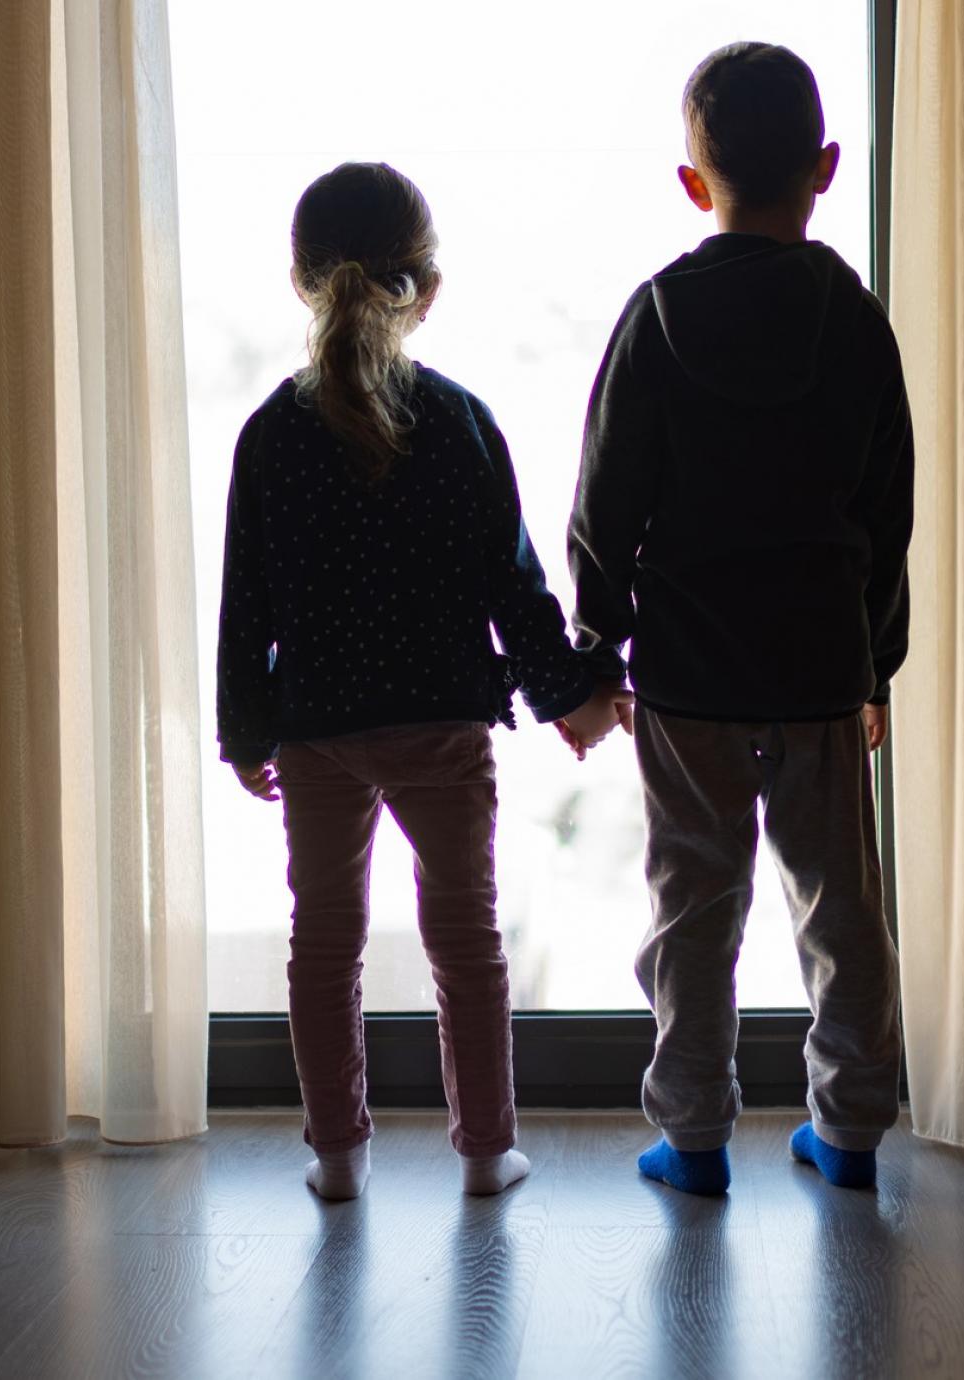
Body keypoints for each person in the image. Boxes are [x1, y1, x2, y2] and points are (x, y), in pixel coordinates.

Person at [217, 162, 630, 1201]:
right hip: (441, 726)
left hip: (316, 729)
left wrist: (245, 733)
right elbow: (516, 588)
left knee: (324, 945)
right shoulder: (459, 423)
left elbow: (244, 606)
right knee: (465, 940)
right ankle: (487, 1151)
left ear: (301, 281)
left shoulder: (270, 433)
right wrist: (572, 697)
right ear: (427, 288)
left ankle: (338, 1156)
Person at [569, 43, 915, 1194]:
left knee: (692, 908)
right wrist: (876, 666)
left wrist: (596, 646)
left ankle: (695, 1137)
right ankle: (851, 1130)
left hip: (687, 674)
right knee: (839, 910)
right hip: (818, 664)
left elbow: (602, 503)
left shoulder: (658, 316)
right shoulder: (854, 319)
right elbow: (884, 507)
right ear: (823, 168)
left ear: (690, 181)